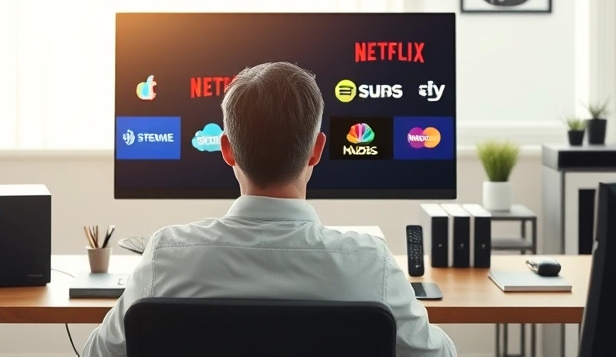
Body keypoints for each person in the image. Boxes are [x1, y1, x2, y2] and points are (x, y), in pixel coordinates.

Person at [83, 62, 457, 357]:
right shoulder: (369, 264)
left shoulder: (166, 256)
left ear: (226, 150)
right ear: (317, 150)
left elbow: (97, 353)